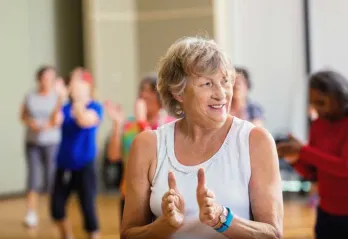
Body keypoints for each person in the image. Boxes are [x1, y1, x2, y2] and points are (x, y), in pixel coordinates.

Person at [120, 37, 283, 239]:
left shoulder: (256, 141)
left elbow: (272, 234)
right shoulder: (147, 145)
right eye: (207, 84)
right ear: (178, 92)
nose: (221, 94)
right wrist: (166, 225)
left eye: (225, 81)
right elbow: (129, 234)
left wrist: (222, 219)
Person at [277, 70, 348, 239]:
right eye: (313, 102)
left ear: (340, 98)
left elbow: (344, 168)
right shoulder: (317, 125)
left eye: (321, 102)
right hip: (326, 211)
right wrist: (294, 159)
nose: (316, 108)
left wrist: (302, 150)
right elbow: (313, 172)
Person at [105, 74, 175, 219]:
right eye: (142, 90)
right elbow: (114, 156)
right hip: (129, 192)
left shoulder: (169, 123)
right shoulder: (129, 124)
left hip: (159, 194)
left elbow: (158, 153)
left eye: (150, 91)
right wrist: (117, 125)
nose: (144, 94)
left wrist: (142, 122)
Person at [50, 68, 103, 239]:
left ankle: (94, 236)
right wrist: (59, 98)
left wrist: (78, 101)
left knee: (88, 207)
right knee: (56, 208)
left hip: (85, 165)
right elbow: (53, 121)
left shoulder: (95, 107)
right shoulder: (65, 107)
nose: (72, 85)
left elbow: (84, 121)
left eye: (76, 81)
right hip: (64, 165)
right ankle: (67, 236)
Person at [20, 66, 62, 227]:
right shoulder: (30, 96)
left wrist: (49, 124)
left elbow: (58, 118)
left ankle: (55, 211)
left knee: (52, 177)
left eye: (51, 78)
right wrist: (31, 123)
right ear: (39, 79)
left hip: (52, 142)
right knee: (33, 176)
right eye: (45, 77)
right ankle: (31, 213)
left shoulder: (58, 97)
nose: (47, 81)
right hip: (33, 143)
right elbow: (23, 115)